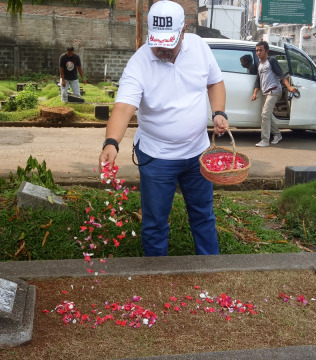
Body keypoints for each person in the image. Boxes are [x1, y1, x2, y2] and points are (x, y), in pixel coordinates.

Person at [98, 0, 229, 257]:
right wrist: (111, 142)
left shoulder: (199, 48)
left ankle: (211, 269)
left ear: (184, 30)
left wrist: (219, 112)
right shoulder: (139, 62)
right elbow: (124, 107)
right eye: (157, 43)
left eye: (169, 43)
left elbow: (215, 82)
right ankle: (156, 276)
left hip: (197, 155)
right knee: (155, 223)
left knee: (203, 216)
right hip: (157, 158)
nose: (162, 50)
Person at [251, 40, 296, 147]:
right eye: (257, 50)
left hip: (274, 91)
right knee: (267, 116)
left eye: (260, 50)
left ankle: (265, 140)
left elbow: (281, 75)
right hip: (265, 93)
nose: (258, 53)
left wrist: (289, 87)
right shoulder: (260, 64)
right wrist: (255, 93)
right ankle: (277, 134)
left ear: (267, 51)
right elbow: (258, 80)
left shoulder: (271, 61)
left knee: (265, 115)